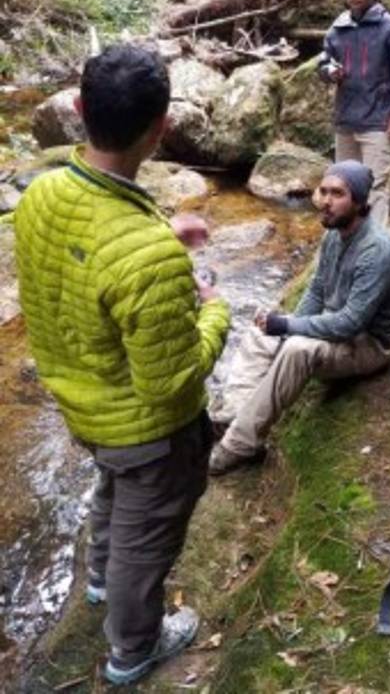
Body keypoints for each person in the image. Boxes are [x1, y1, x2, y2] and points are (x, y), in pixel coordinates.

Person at [12, 44, 230, 686]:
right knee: (149, 530)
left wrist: (164, 238)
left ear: (79, 110)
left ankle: (102, 579)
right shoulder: (144, 255)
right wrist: (215, 312)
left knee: (114, 488)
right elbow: (171, 383)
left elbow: (90, 256)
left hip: (82, 401)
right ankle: (133, 648)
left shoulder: (43, 192)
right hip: (146, 430)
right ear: (161, 129)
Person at [208, 160, 390, 474]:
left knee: (297, 348)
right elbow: (316, 291)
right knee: (262, 332)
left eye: (337, 194)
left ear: (358, 201)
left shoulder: (378, 250)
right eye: (323, 191)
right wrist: (284, 327)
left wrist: (290, 327)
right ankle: (235, 413)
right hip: (338, 327)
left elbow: (349, 323)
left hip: (369, 344)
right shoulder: (333, 235)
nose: (325, 201)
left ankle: (240, 445)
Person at [318, 0, 390, 226]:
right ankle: (347, 237)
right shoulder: (337, 28)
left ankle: (377, 244)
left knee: (376, 184)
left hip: (378, 117)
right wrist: (330, 72)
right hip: (345, 117)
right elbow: (323, 63)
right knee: (344, 185)